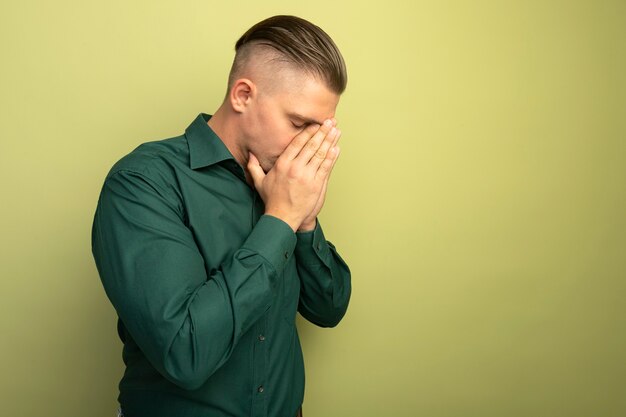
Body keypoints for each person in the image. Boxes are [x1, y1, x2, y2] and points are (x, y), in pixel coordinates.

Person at [91, 15, 352, 417]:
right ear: (243, 95)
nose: (308, 146)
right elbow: (185, 353)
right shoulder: (144, 182)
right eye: (299, 123)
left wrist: (305, 223)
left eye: (318, 130)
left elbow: (329, 308)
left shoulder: (281, 182)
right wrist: (280, 219)